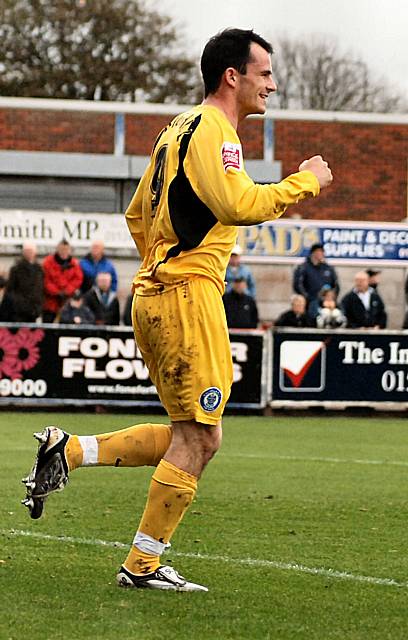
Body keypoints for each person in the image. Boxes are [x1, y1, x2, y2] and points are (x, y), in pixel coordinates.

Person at [22, 28, 332, 592]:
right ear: (232, 76)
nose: (273, 84)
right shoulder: (216, 129)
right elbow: (238, 203)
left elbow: (137, 213)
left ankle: (67, 451)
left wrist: (161, 266)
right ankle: (141, 566)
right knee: (201, 439)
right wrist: (302, 182)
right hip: (187, 296)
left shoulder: (176, 129)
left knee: (193, 434)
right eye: (264, 73)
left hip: (160, 293)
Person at [293, 243, 339, 319]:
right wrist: (308, 298)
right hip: (310, 302)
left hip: (326, 303)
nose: (320, 254)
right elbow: (297, 285)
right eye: (318, 251)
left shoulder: (328, 268)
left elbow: (336, 285)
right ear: (313, 253)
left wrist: (331, 298)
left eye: (322, 252)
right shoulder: (303, 268)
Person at [42, 240, 83, 323]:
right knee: (48, 329)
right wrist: (57, 292)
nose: (64, 252)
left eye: (66, 250)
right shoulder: (48, 262)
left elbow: (78, 279)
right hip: (50, 303)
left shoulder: (74, 264)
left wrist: (67, 291)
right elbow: (46, 280)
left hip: (67, 303)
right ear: (57, 249)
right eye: (62, 249)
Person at [6, 242, 43, 322]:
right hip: (19, 311)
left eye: (31, 251)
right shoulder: (16, 269)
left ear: (35, 252)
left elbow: (41, 289)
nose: (29, 253)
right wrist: (17, 303)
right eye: (27, 251)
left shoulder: (39, 269)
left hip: (34, 309)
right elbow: (10, 289)